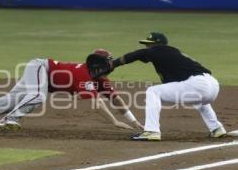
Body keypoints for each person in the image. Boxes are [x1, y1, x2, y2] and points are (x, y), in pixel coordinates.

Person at [0, 49, 143, 131]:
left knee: (11, 102)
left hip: (41, 76)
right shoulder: (83, 75)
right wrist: (114, 122)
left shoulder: (100, 79)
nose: (112, 63)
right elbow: (97, 103)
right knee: (37, 96)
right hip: (40, 67)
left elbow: (116, 100)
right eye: (109, 60)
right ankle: (9, 119)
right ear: (100, 63)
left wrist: (134, 122)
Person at [87, 32, 227, 141]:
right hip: (211, 85)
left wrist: (114, 64)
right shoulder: (172, 56)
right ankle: (216, 128)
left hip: (199, 84)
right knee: (198, 99)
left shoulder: (161, 49)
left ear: (159, 44)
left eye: (150, 44)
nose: (147, 47)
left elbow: (139, 54)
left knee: (153, 91)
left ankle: (152, 131)